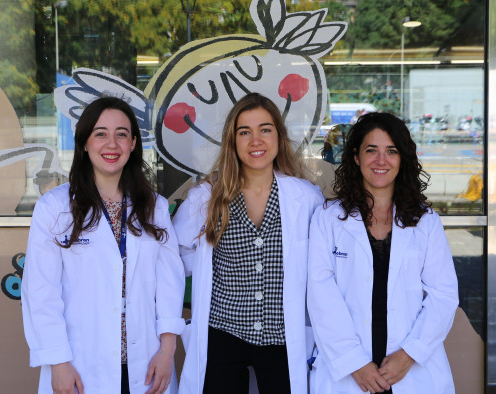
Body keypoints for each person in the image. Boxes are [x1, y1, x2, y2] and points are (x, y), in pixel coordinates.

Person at [22, 96, 185, 394]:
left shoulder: (154, 207)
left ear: (133, 143)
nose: (112, 144)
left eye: (121, 134)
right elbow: (41, 294)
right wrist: (58, 362)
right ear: (84, 143)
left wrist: (167, 350)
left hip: (146, 360)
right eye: (101, 134)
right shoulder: (54, 208)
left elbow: (170, 284)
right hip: (81, 364)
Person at [173, 93, 324, 394]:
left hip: (282, 337)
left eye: (265, 130)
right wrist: (207, 273)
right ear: (233, 140)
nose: (256, 140)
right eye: (245, 132)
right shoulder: (207, 196)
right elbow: (175, 254)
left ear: (279, 137)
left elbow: (320, 265)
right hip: (223, 334)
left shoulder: (305, 197)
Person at [307, 112, 458, 393]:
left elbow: (444, 294)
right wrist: (353, 362)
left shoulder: (425, 221)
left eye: (391, 151)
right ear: (355, 157)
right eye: (371, 150)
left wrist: (411, 353)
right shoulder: (327, 218)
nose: (381, 160)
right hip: (348, 372)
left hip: (409, 371)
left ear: (402, 159)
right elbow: (320, 295)